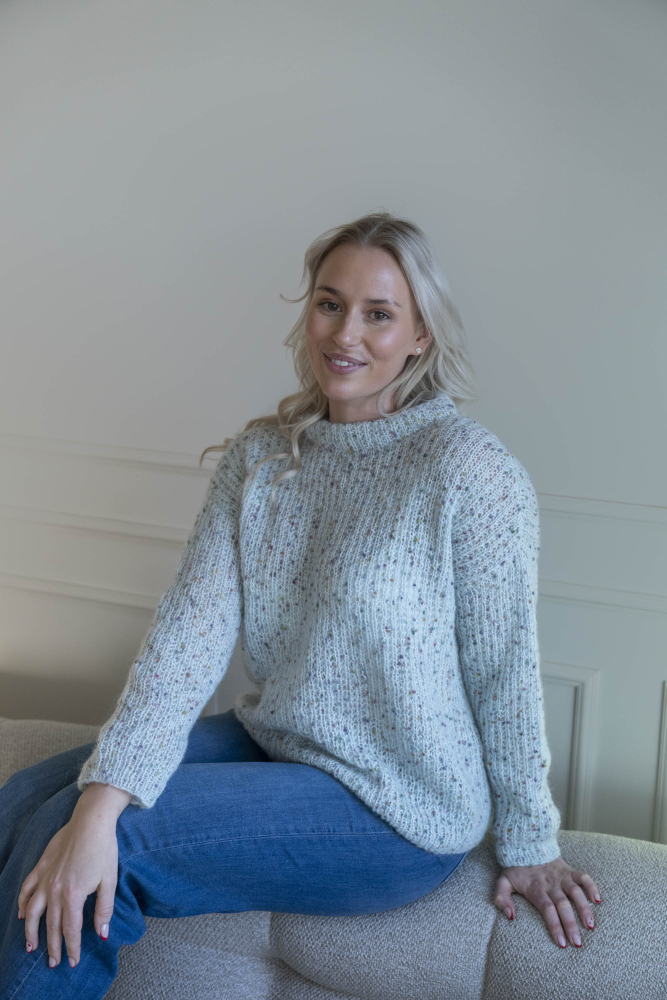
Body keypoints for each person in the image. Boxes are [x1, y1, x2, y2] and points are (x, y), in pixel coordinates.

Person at [0, 210, 601, 995]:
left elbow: (503, 671)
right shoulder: (262, 458)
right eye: (329, 303)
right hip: (279, 739)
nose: (345, 333)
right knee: (26, 801)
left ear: (419, 334)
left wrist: (530, 843)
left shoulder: (468, 471)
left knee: (122, 841)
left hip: (395, 804)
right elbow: (185, 640)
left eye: (378, 314)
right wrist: (99, 798)